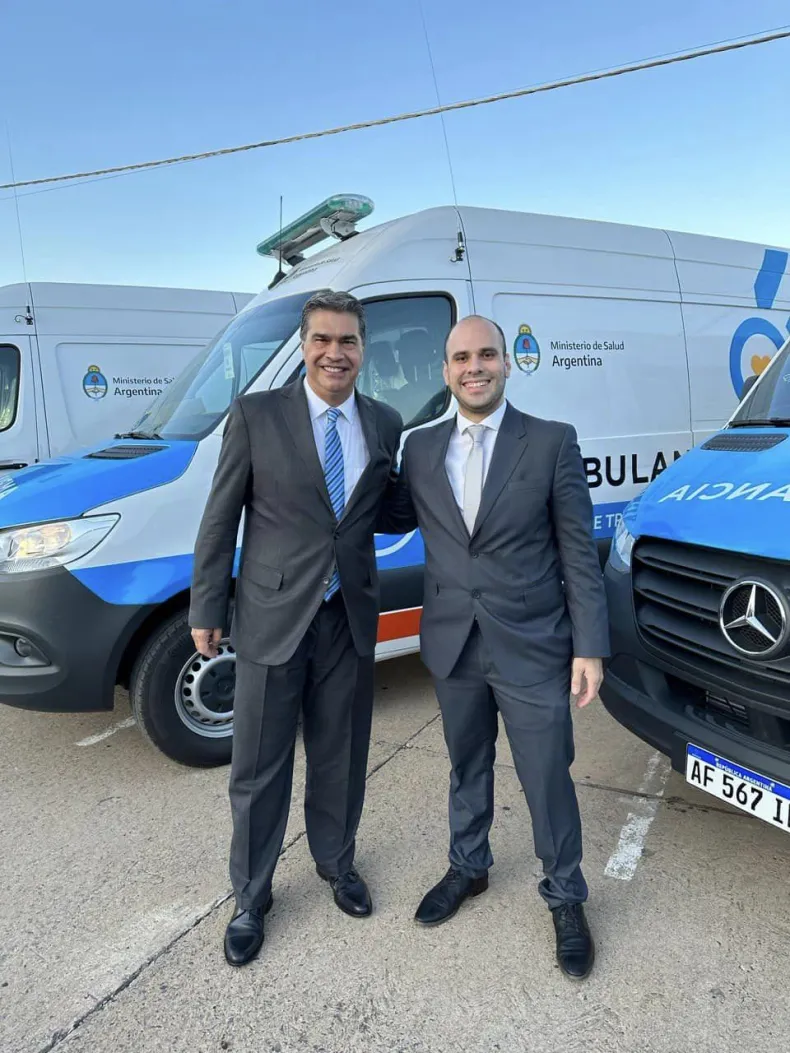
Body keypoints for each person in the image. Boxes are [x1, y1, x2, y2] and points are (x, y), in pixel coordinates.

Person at [379, 314, 609, 980]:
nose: (473, 367)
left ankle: (565, 894)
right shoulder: (420, 447)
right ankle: (468, 866)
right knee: (466, 763)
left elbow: (577, 551)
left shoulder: (552, 441)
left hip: (533, 642)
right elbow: (388, 512)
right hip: (453, 642)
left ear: (507, 363)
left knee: (546, 774)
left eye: (486, 354)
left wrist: (589, 646)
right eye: (461, 357)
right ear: (445, 371)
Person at [189, 289, 403, 967]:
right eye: (322, 340)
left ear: (363, 349)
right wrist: (206, 608)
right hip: (272, 615)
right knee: (259, 765)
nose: (335, 353)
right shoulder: (256, 415)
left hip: (348, 616)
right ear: (304, 346)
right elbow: (220, 516)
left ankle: (336, 864)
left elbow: (385, 508)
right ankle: (251, 897)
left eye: (348, 341)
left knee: (341, 755)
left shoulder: (385, 421)